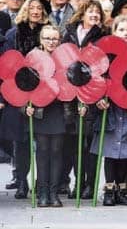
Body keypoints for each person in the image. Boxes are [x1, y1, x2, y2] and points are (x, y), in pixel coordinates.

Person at [90, 15, 127, 206]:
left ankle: (122, 189)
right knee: (111, 150)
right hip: (111, 107)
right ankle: (109, 189)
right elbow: (96, 77)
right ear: (114, 32)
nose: (125, 33)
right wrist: (99, 100)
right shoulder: (104, 52)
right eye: (121, 30)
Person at [3, 0, 50, 199]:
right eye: (32, 7)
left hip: (44, 90)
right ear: (25, 9)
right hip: (17, 90)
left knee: (42, 140)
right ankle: (22, 181)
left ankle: (42, 183)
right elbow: (6, 64)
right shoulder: (13, 34)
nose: (36, 11)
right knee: (21, 141)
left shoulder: (47, 33)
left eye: (39, 7)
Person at [61, 0, 109, 199]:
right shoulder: (70, 34)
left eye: (98, 12)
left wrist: (102, 94)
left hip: (93, 94)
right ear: (82, 14)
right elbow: (62, 60)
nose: (95, 14)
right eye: (91, 11)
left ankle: (90, 184)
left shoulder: (104, 36)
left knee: (90, 142)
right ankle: (77, 182)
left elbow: (108, 66)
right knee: (74, 142)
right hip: (71, 94)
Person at [25, 25, 66, 207]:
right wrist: (26, 106)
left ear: (60, 40)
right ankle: (42, 192)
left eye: (55, 39)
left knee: (57, 152)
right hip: (41, 110)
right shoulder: (33, 58)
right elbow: (23, 85)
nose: (51, 42)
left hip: (59, 109)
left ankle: (53, 193)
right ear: (41, 40)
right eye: (47, 38)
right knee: (42, 152)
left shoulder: (65, 59)